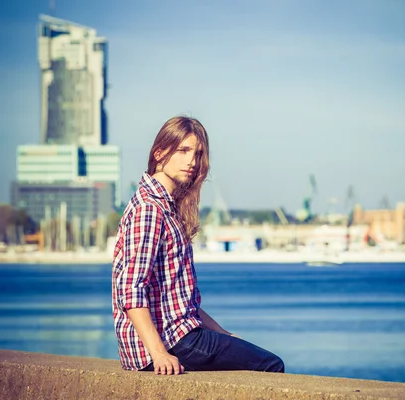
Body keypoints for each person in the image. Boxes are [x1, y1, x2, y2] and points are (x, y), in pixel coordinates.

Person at [112, 116, 284, 375]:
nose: (192, 161)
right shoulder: (150, 209)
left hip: (179, 337)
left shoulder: (166, 207)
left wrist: (224, 334)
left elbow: (181, 303)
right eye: (183, 150)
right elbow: (132, 289)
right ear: (159, 153)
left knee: (245, 353)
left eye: (197, 153)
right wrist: (159, 353)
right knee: (270, 365)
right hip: (172, 343)